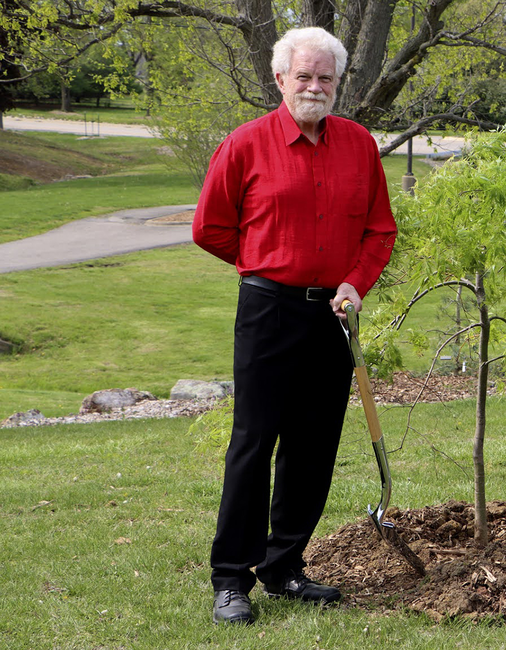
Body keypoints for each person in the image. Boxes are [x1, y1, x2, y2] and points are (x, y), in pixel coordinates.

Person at [193, 26, 397, 625]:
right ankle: (231, 578)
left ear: (338, 84)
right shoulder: (245, 143)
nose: (314, 86)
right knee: (254, 443)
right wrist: (264, 262)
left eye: (324, 78)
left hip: (333, 314)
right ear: (280, 78)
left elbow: (380, 230)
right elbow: (210, 227)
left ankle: (283, 566)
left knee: (313, 445)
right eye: (303, 76)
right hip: (268, 311)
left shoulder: (358, 144)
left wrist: (354, 283)